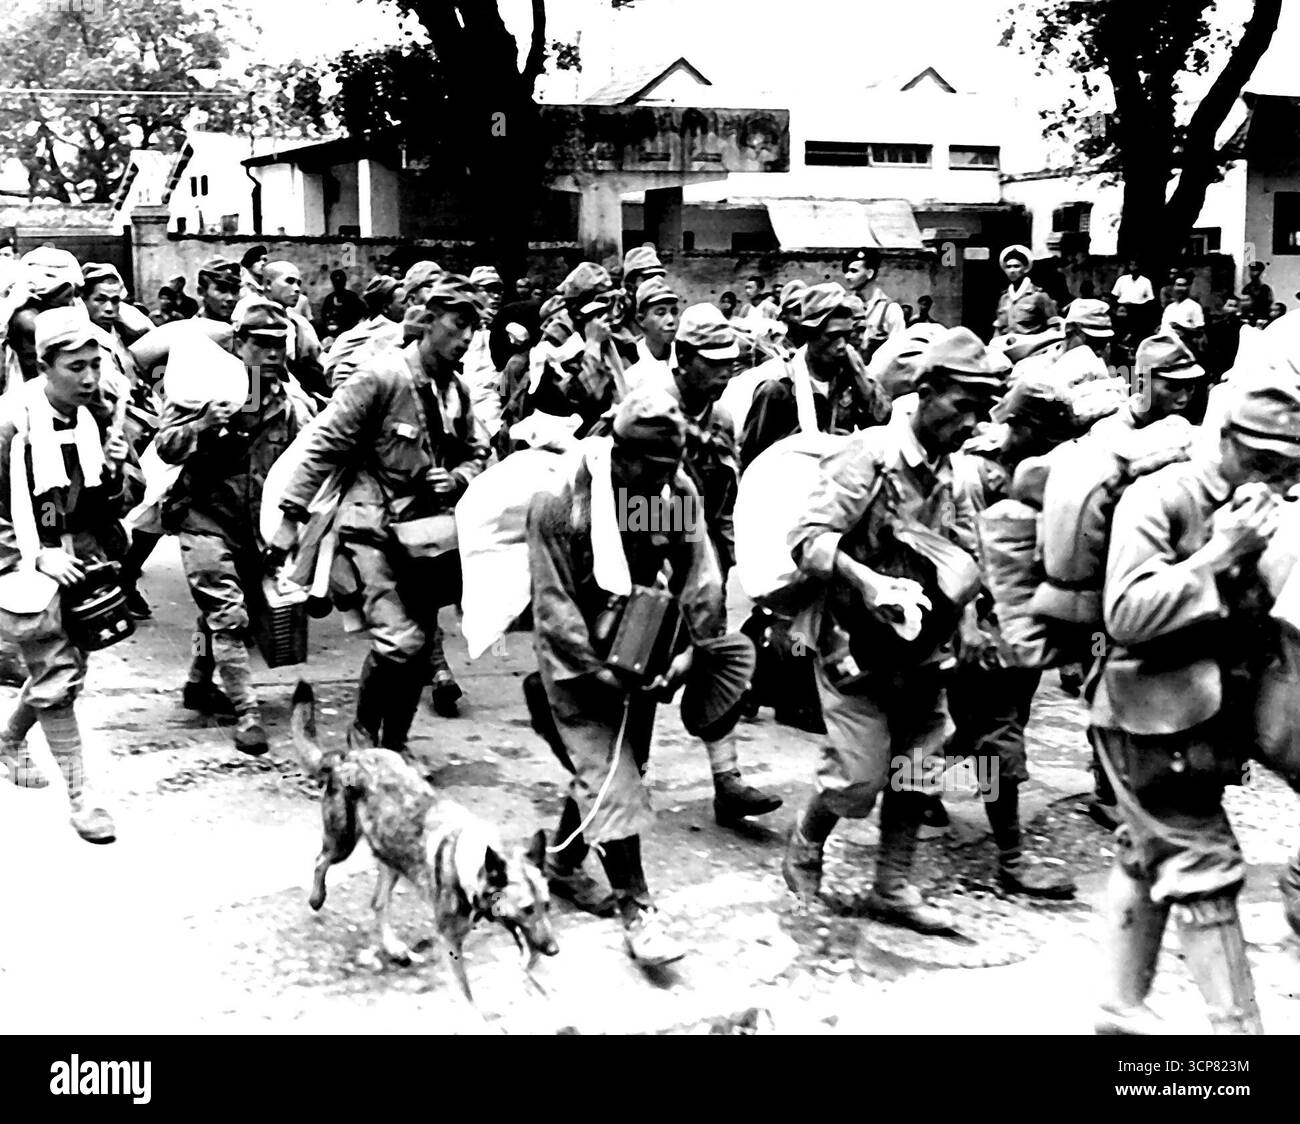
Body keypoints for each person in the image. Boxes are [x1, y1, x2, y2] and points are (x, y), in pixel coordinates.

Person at [1089, 369, 1300, 1036]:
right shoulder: (1160, 498)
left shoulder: (1258, 504)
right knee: (1203, 867)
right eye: (1272, 465)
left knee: (1144, 850)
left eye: (1293, 471)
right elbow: (1124, 613)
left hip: (1205, 717)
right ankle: (1238, 1038)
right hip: (1145, 715)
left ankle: (1118, 1007)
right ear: (1230, 442)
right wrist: (1216, 557)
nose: (1284, 485)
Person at [781, 328, 1008, 930]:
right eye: (963, 407)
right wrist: (867, 582)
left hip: (922, 650)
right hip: (852, 643)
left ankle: (892, 885)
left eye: (981, 410)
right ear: (926, 391)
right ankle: (804, 845)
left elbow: (963, 555)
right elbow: (807, 539)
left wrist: (968, 621)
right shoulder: (869, 456)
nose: (971, 423)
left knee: (917, 768)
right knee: (858, 778)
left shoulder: (956, 474)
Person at [528, 386, 724, 966]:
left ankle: (560, 864)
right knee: (613, 776)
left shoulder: (671, 491)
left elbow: (699, 575)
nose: (669, 478)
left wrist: (694, 655)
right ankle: (637, 910)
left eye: (677, 464)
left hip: (640, 638)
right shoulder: (565, 500)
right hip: (574, 654)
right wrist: (599, 675)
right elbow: (554, 605)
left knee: (621, 766)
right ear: (620, 452)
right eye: (656, 466)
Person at [271, 275, 490, 738]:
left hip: (425, 537)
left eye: (475, 326)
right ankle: (363, 737)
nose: (467, 337)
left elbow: (478, 450)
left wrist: (456, 478)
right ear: (429, 322)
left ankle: (394, 744)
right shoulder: (381, 376)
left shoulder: (458, 391)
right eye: (459, 324)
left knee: (418, 642)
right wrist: (291, 519)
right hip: (369, 529)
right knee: (401, 641)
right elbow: (323, 446)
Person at [637, 303, 783, 825]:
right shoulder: (650, 407)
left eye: (731, 362)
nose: (725, 372)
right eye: (713, 362)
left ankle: (727, 781)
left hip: (702, 564)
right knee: (642, 676)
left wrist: (727, 563)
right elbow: (630, 501)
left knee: (714, 663)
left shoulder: (720, 416)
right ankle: (628, 782)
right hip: (645, 565)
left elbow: (724, 498)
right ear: (682, 361)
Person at [0, 307, 136, 842]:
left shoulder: (96, 415)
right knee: (57, 680)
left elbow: (118, 504)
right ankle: (84, 798)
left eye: (95, 365)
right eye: (75, 367)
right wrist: (34, 556)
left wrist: (119, 467)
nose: (89, 378)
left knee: (66, 673)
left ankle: (7, 741)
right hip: (25, 563)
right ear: (43, 365)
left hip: (82, 559)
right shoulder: (11, 422)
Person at [946, 375, 1080, 898]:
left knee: (983, 728)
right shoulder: (975, 473)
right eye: (1045, 433)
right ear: (1018, 426)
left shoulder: (1045, 469)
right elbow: (955, 550)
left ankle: (907, 781)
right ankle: (1012, 859)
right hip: (978, 617)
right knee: (999, 733)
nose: (1054, 445)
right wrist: (968, 622)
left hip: (1019, 619)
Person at [156, 300, 308, 755]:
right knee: (229, 616)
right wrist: (202, 424)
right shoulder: (201, 389)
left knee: (215, 613)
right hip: (204, 518)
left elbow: (305, 463)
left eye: (279, 344)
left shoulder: (288, 403)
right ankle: (247, 713)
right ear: (239, 344)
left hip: (253, 528)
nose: (272, 354)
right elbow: (166, 447)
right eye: (260, 344)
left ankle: (198, 684)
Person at [739, 282, 891, 470]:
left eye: (846, 335)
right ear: (809, 334)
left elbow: (882, 424)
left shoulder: (848, 377)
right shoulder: (781, 385)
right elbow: (751, 460)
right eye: (833, 336)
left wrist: (858, 373)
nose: (842, 345)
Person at [324, 275, 406, 390]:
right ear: (385, 307)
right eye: (403, 302)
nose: (408, 306)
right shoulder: (396, 332)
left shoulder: (350, 334)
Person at [263, 261, 326, 399]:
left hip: (291, 392)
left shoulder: (299, 324)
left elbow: (318, 361)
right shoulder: (252, 318)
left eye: (298, 283)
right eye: (290, 281)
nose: (296, 289)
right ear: (268, 284)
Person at [843, 247, 906, 361]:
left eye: (853, 271)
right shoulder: (844, 305)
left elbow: (898, 351)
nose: (847, 276)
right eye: (846, 271)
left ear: (870, 273)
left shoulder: (890, 309)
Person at [622, 276, 679, 389]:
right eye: (661, 313)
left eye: (674, 312)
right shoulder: (630, 362)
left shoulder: (685, 358)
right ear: (641, 319)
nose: (671, 320)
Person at [994, 245, 1057, 337]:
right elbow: (999, 329)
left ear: (1025, 268)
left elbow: (1054, 325)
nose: (1012, 270)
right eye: (1008, 267)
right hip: (1006, 347)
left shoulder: (1039, 296)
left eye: (1016, 266)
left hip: (1032, 348)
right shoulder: (1004, 299)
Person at [1111, 260, 1156, 348]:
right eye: (1131, 264)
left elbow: (1150, 299)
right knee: (1120, 335)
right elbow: (1115, 296)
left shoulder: (1145, 281)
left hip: (1138, 311)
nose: (1133, 267)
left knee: (1135, 336)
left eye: (1136, 265)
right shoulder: (1122, 279)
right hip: (1122, 309)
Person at [317, 269, 366, 348]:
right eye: (335, 282)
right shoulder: (329, 298)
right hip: (333, 335)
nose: (338, 284)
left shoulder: (352, 296)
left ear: (344, 282)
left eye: (340, 282)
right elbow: (324, 317)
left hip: (349, 335)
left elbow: (360, 314)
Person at [1159, 273, 1206, 355]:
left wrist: (1182, 328)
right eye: (1178, 285)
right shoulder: (1169, 308)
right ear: (1174, 287)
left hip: (1185, 345)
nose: (1180, 289)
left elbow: (1199, 331)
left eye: (1183, 285)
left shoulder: (1195, 306)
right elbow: (1163, 329)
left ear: (1188, 288)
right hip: (1165, 345)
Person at [195, 257, 241, 323]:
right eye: (222, 289)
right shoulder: (188, 330)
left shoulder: (242, 329)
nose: (231, 298)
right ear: (201, 291)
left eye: (234, 290)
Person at [1241, 260, 1273, 324]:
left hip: (1261, 319)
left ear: (1260, 272)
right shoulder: (1247, 288)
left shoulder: (1265, 289)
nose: (1252, 273)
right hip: (1248, 318)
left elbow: (1268, 304)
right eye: (1251, 270)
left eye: (1255, 270)